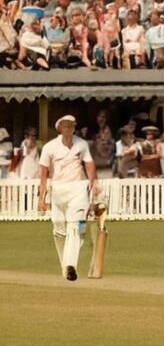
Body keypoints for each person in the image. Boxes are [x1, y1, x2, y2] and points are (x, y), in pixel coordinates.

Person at [38, 115, 98, 280]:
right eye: (65, 126)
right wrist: (41, 198)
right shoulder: (50, 147)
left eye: (71, 126)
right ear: (59, 128)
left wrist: (93, 186)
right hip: (58, 190)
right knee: (59, 230)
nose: (68, 129)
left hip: (78, 189)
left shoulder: (81, 144)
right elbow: (43, 173)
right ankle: (65, 266)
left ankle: (71, 265)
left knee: (75, 227)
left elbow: (90, 165)